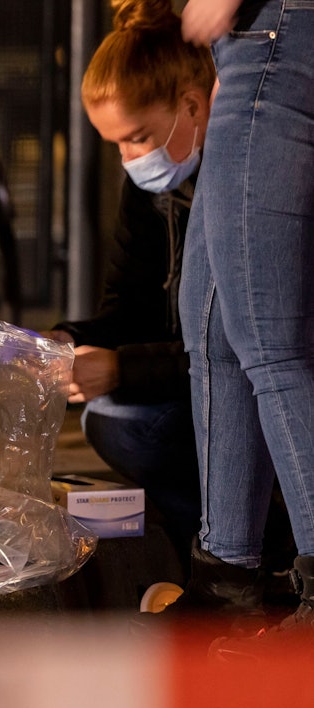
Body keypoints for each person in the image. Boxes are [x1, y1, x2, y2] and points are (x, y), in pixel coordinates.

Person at [45, 0, 214, 576]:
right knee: (112, 415)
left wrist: (121, 371)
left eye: (138, 137)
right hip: (186, 382)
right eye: (115, 144)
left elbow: (241, 353)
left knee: (118, 421)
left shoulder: (245, 189)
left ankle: (231, 546)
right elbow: (127, 308)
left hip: (234, 391)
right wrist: (62, 340)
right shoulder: (149, 189)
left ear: (192, 104)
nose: (130, 160)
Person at [175, 0, 314, 647]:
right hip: (247, 45)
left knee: (268, 337)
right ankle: (224, 588)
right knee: (210, 328)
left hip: (274, 33)